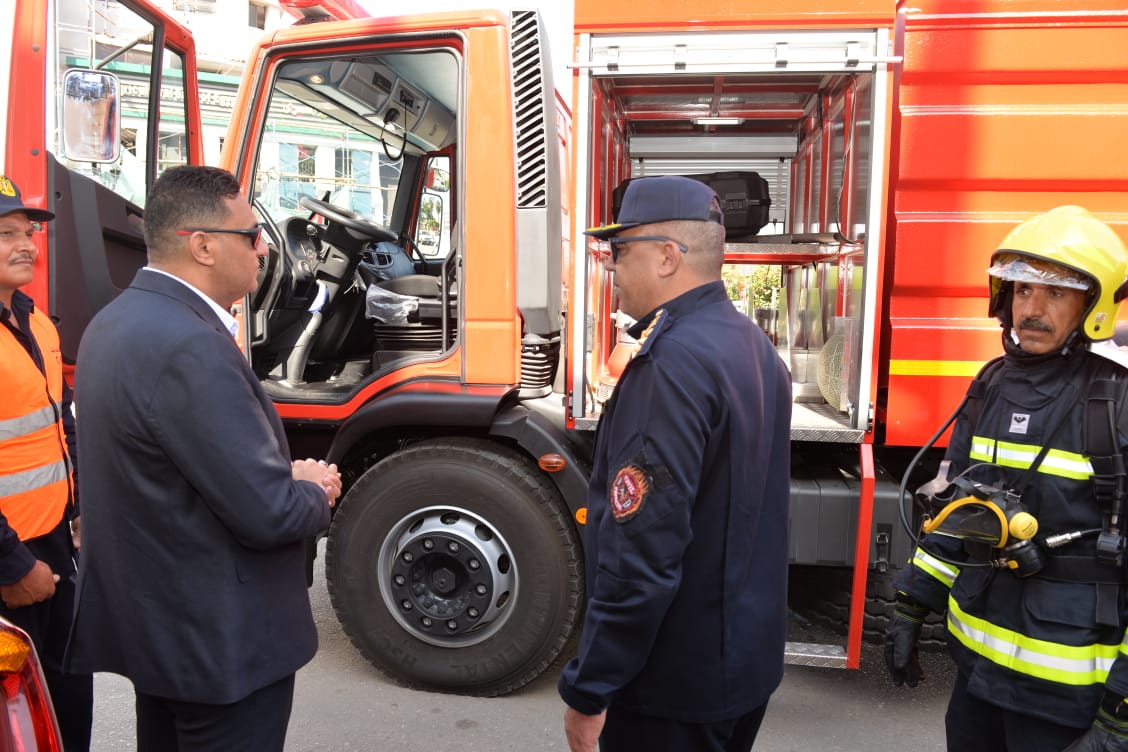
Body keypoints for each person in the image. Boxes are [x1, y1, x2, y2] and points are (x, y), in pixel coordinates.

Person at [65, 165, 341, 752]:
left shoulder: (113, 323)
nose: (264, 250)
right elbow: (268, 513)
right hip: (219, 646)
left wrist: (276, 479)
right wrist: (313, 489)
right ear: (203, 246)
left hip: (162, 636)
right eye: (252, 235)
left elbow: (169, 473)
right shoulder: (191, 345)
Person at [558, 175, 792, 752]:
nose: (612, 267)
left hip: (673, 687)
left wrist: (591, 687)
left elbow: (641, 554)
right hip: (742, 668)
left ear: (667, 256)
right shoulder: (753, 346)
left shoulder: (670, 365)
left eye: (620, 250)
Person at [885, 206, 1128, 751]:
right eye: (1022, 291)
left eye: (1056, 293)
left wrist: (1121, 712)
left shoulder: (1117, 404)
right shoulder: (991, 386)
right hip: (977, 680)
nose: (1032, 309)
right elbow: (958, 512)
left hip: (1066, 702)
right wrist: (911, 604)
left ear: (1092, 306)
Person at [0, 174, 93, 750]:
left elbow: (63, 423)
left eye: (27, 232)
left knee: (66, 698)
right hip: (11, 556)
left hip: (54, 540)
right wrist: (11, 566)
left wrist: (79, 505)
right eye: (5, 234)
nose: (25, 244)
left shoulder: (35, 321)